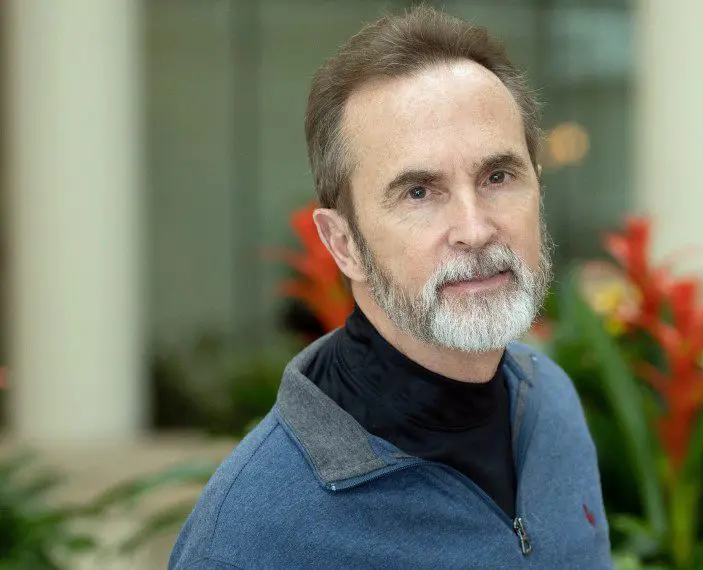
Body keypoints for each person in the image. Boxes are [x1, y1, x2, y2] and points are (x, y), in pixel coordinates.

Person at [169, 6, 612, 569]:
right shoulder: (252, 535)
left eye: (498, 177)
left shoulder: (552, 403)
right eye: (419, 192)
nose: (475, 230)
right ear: (342, 243)